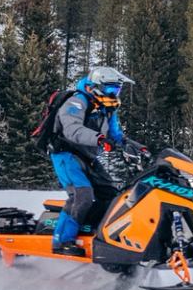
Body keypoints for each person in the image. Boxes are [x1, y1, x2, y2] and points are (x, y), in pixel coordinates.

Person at [45, 65, 144, 256]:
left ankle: (96, 232)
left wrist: (137, 147)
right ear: (95, 86)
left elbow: (116, 136)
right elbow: (72, 130)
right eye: (110, 89)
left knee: (111, 194)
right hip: (66, 155)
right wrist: (99, 139)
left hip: (87, 157)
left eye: (117, 89)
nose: (114, 93)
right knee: (82, 194)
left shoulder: (106, 109)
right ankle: (62, 241)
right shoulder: (77, 102)